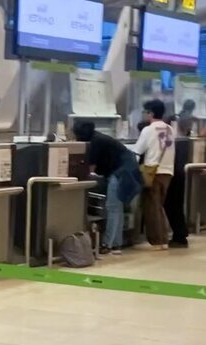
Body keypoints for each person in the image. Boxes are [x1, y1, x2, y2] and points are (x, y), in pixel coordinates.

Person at [72, 121, 141, 255]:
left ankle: (107, 244)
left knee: (112, 207)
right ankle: (116, 244)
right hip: (128, 168)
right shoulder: (97, 138)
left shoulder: (95, 142)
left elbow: (90, 169)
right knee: (117, 207)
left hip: (122, 172)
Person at [131, 99, 175, 250]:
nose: (144, 115)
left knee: (151, 206)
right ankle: (163, 239)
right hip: (167, 172)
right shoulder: (170, 129)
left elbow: (137, 151)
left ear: (150, 113)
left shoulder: (148, 130)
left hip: (152, 171)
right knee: (158, 206)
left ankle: (158, 241)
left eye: (145, 112)